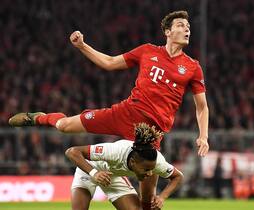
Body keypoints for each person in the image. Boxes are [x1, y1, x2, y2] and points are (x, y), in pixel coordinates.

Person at [8, 10, 209, 209]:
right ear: (167, 31)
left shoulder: (192, 67)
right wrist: (82, 46)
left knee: (148, 200)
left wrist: (203, 136)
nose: (187, 29)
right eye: (181, 25)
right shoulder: (148, 51)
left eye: (188, 27)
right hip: (125, 113)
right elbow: (110, 62)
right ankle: (40, 118)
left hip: (150, 133)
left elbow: (202, 107)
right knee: (64, 125)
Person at [65, 123, 183, 210]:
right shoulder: (114, 151)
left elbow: (178, 177)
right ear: (132, 162)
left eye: (152, 169)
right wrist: (94, 173)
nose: (150, 174)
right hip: (89, 170)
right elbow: (72, 152)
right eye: (146, 169)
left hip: (113, 176)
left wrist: (162, 197)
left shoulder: (157, 161)